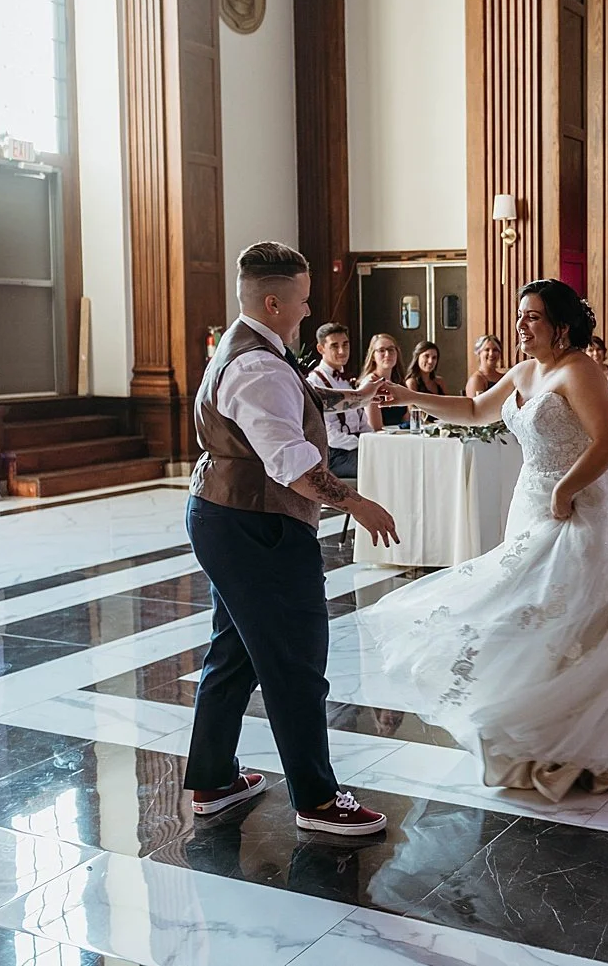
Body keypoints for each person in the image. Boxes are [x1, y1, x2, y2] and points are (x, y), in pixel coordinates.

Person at [365, 279, 608, 801]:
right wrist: (408, 395)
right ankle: (532, 719)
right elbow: (478, 411)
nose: (521, 325)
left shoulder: (581, 371)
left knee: (570, 616)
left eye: (532, 317)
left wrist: (568, 488)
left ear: (561, 325)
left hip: (579, 509)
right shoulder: (526, 370)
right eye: (521, 315)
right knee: (524, 610)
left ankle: (584, 729)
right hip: (529, 503)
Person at [184, 241, 397, 835]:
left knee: (233, 654)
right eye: (302, 302)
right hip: (257, 526)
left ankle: (213, 778)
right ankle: (318, 800)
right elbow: (291, 463)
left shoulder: (252, 350)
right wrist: (358, 502)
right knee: (295, 662)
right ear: (274, 300)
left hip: (230, 516)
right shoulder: (256, 365)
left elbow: (294, 397)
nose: (308, 312)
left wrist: (351, 396)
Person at [306, 323, 372, 478]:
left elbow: (362, 421)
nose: (342, 351)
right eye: (335, 346)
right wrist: (365, 445)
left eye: (345, 344)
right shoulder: (315, 382)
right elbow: (329, 435)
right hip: (334, 455)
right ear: (321, 349)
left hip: (355, 447)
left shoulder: (347, 379)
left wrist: (373, 440)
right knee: (377, 468)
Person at [359, 333, 406, 430]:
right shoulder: (370, 383)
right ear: (372, 356)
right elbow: (376, 428)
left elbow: (407, 419)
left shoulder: (399, 382)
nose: (387, 354)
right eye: (381, 350)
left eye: (391, 349)